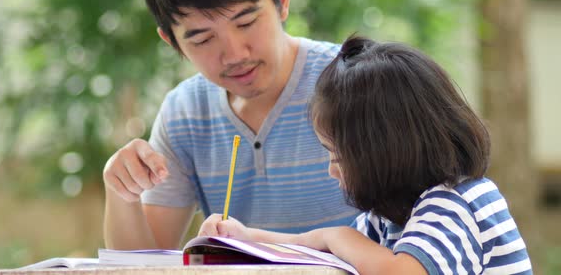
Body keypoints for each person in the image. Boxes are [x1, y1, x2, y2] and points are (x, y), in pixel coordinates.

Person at [198, 36, 533, 274]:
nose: (332, 170)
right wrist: (243, 238)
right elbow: (310, 244)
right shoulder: (389, 216)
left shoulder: (454, 203)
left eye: (338, 157)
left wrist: (340, 235)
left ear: (387, 152)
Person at [102, 0, 360, 250]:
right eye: (203, 38)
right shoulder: (185, 112)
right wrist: (121, 191)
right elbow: (142, 262)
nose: (235, 54)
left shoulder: (355, 85)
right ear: (171, 41)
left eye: (246, 22)